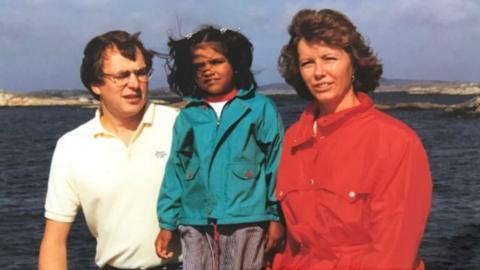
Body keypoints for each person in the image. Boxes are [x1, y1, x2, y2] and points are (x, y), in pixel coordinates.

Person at [272, 9, 432, 270]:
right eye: (307, 63)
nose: (318, 72)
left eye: (329, 58)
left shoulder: (396, 142)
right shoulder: (293, 138)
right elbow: (293, 243)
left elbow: (394, 253)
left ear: (353, 64)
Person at [38, 30, 181, 269]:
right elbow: (54, 241)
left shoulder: (180, 124)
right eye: (121, 75)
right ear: (96, 84)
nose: (134, 84)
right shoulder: (72, 146)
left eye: (141, 72)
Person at [155, 25, 285, 270]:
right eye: (199, 66)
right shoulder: (188, 116)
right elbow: (176, 170)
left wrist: (276, 217)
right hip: (195, 221)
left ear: (235, 64)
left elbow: (275, 166)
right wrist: (166, 222)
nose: (208, 71)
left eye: (216, 62)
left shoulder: (259, 108)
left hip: (247, 219)